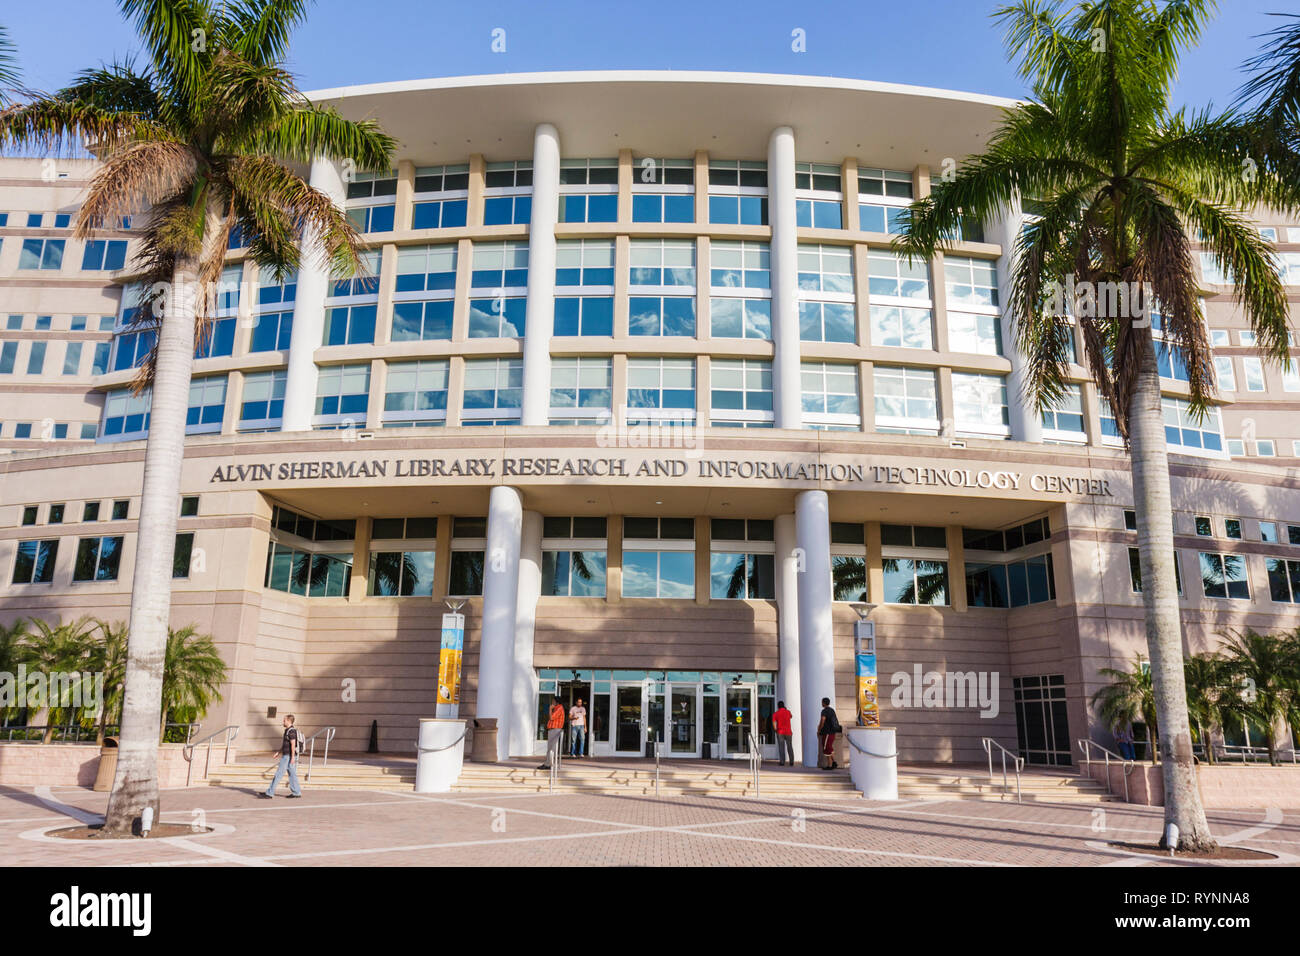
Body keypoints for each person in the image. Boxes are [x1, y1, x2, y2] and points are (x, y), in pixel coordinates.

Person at [260, 714, 302, 799]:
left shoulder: (292, 731)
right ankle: (296, 792)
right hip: (287, 755)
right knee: (292, 774)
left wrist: (293, 757)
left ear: (289, 721)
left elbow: (293, 745)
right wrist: (278, 752)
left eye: (284, 720)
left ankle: (269, 793)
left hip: (288, 756)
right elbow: (285, 744)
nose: (283, 721)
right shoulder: (287, 731)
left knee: (279, 774)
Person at [538, 697, 566, 770]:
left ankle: (549, 764)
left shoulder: (559, 708)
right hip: (552, 729)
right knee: (550, 748)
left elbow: (551, 717)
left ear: (557, 702)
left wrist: (550, 709)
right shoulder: (557, 708)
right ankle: (548, 763)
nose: (552, 702)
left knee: (551, 748)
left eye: (553, 701)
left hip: (555, 729)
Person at [816, 697, 841, 770]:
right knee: (829, 747)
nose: (821, 703)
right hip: (832, 732)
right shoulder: (832, 710)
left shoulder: (824, 711)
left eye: (822, 702)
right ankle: (834, 762)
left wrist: (819, 729)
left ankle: (830, 765)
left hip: (827, 732)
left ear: (823, 703)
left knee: (826, 748)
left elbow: (822, 720)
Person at [772, 700, 795, 766]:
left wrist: (775, 729)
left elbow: (774, 723)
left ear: (778, 706)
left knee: (781, 747)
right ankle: (791, 761)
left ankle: (782, 762)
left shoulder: (776, 713)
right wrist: (786, 709)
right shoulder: (788, 712)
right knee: (789, 746)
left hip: (780, 732)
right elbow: (791, 716)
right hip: (788, 732)